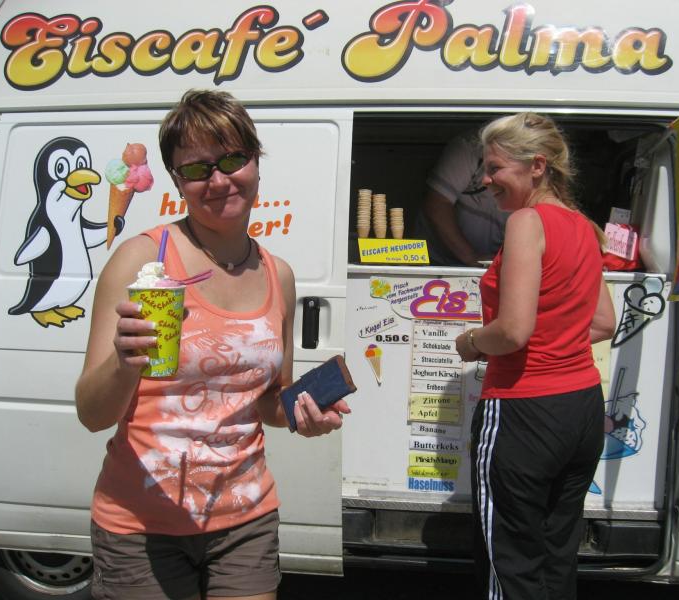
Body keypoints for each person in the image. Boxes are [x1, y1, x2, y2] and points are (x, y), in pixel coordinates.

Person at [75, 89, 350, 600]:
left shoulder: (278, 274)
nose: (219, 180)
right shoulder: (141, 260)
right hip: (140, 527)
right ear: (177, 180)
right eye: (197, 169)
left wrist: (303, 413)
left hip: (246, 520)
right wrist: (124, 363)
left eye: (232, 159)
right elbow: (91, 414)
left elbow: (268, 402)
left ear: (256, 162)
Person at [454, 112, 616, 600]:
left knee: (511, 564)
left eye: (495, 168)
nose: (486, 181)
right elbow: (603, 323)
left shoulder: (527, 222)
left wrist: (471, 341)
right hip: (581, 409)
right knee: (555, 555)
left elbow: (512, 331)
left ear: (537, 166)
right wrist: (556, 338)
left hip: (523, 410)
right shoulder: (583, 226)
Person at [415, 131, 509, 266]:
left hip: (495, 264)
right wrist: (471, 257)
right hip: (439, 263)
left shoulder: (534, 166)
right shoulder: (471, 146)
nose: (486, 180)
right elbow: (437, 204)